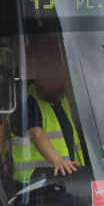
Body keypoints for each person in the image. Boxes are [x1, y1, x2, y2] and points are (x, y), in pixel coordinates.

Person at [9, 33, 85, 185]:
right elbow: (36, 134)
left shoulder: (62, 103)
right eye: (55, 68)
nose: (64, 76)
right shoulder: (27, 101)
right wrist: (57, 161)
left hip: (64, 182)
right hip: (34, 188)